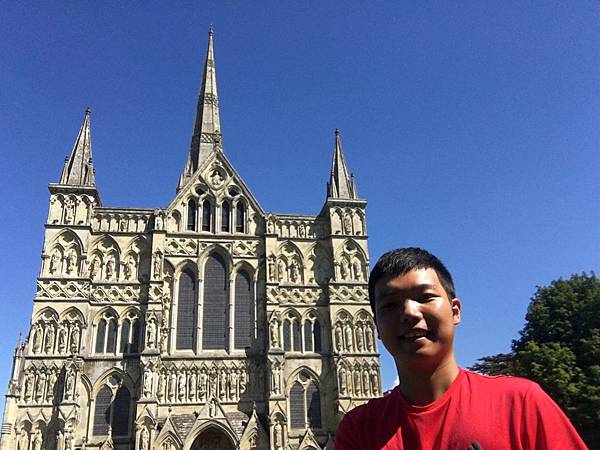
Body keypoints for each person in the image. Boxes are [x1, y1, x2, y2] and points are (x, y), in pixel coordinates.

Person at [335, 247, 587, 449]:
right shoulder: (359, 429)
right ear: (375, 327)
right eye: (390, 305)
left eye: (425, 298)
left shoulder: (521, 403)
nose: (409, 313)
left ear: (455, 311)